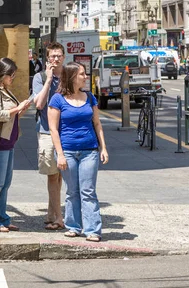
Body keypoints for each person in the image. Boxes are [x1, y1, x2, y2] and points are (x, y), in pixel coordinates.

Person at [48, 62, 109, 241]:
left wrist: (103, 147)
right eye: (82, 74)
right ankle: (73, 226)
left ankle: (92, 230)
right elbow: (53, 129)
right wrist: (59, 154)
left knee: (88, 191)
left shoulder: (90, 97)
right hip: (67, 151)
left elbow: (97, 123)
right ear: (72, 77)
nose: (85, 77)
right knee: (72, 190)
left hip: (89, 150)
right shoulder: (57, 99)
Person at [0, 58, 32, 232]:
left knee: (5, 183)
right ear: (3, 74)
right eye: (11, 75)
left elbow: (10, 114)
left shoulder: (4, 90)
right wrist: (18, 109)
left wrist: (21, 109)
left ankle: (2, 218)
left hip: (8, 140)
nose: (13, 78)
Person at [32, 42, 66, 230]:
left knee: (59, 175)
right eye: (52, 56)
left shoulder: (69, 76)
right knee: (52, 175)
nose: (56, 59)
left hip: (66, 132)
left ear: (64, 57)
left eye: (59, 55)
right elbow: (38, 104)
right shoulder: (40, 77)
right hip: (46, 131)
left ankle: (53, 212)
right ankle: (55, 215)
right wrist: (48, 79)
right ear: (47, 59)